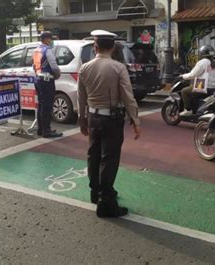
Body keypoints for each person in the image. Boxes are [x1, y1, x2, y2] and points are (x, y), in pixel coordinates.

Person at [77, 30, 141, 218]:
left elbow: (81, 97)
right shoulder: (118, 67)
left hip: (93, 118)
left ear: (95, 47)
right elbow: (128, 97)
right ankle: (106, 202)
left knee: (93, 155)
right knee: (109, 159)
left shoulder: (85, 68)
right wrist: (135, 120)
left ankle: (95, 192)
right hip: (112, 119)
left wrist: (82, 120)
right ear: (112, 48)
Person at [32, 31, 63, 138]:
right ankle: (47, 130)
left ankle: (41, 129)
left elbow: (34, 66)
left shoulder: (36, 50)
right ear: (46, 39)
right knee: (47, 106)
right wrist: (57, 75)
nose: (51, 41)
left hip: (38, 80)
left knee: (41, 105)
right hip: (46, 81)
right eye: (50, 39)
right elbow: (54, 66)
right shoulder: (48, 50)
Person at [179, 45, 215, 116]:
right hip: (213, 88)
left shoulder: (203, 62)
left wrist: (183, 76)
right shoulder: (213, 63)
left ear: (202, 53)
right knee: (191, 88)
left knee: (184, 91)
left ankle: (188, 110)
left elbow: (193, 74)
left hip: (203, 88)